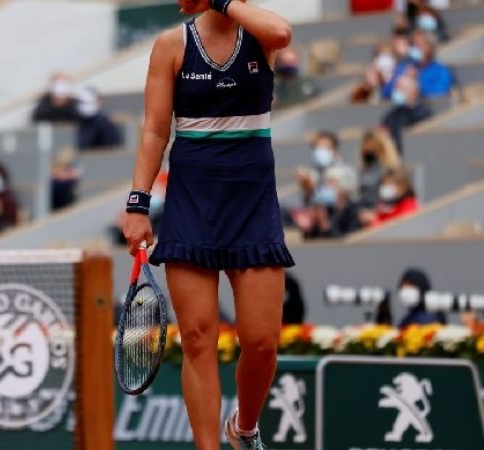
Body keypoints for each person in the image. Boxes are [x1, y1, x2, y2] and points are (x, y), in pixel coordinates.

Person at [122, 0, 293, 447]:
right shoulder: (171, 45)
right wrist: (138, 204)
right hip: (192, 206)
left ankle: (244, 429)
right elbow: (155, 131)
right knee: (198, 340)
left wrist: (224, 1)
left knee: (261, 343)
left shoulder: (261, 36)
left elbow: (283, 32)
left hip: (252, 206)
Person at [382, 31, 452, 100]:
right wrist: (397, 84)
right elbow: (386, 92)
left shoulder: (441, 71)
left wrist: (416, 84)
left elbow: (439, 94)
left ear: (430, 47)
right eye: (414, 45)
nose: (416, 49)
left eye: (420, 45)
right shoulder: (403, 67)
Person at [296, 131, 357, 207]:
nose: (321, 151)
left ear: (336, 150)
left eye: (325, 147)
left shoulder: (346, 171)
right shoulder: (312, 173)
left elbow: (344, 200)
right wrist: (307, 187)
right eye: (318, 148)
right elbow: (307, 202)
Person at [380, 72, 433, 153]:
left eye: (400, 89)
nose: (396, 92)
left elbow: (417, 141)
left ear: (413, 91)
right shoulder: (394, 112)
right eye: (396, 89)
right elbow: (382, 128)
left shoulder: (423, 114)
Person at [357, 129, 401, 209]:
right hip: (365, 210)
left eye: (370, 144)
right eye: (364, 144)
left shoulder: (390, 170)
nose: (365, 148)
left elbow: (393, 197)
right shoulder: (364, 170)